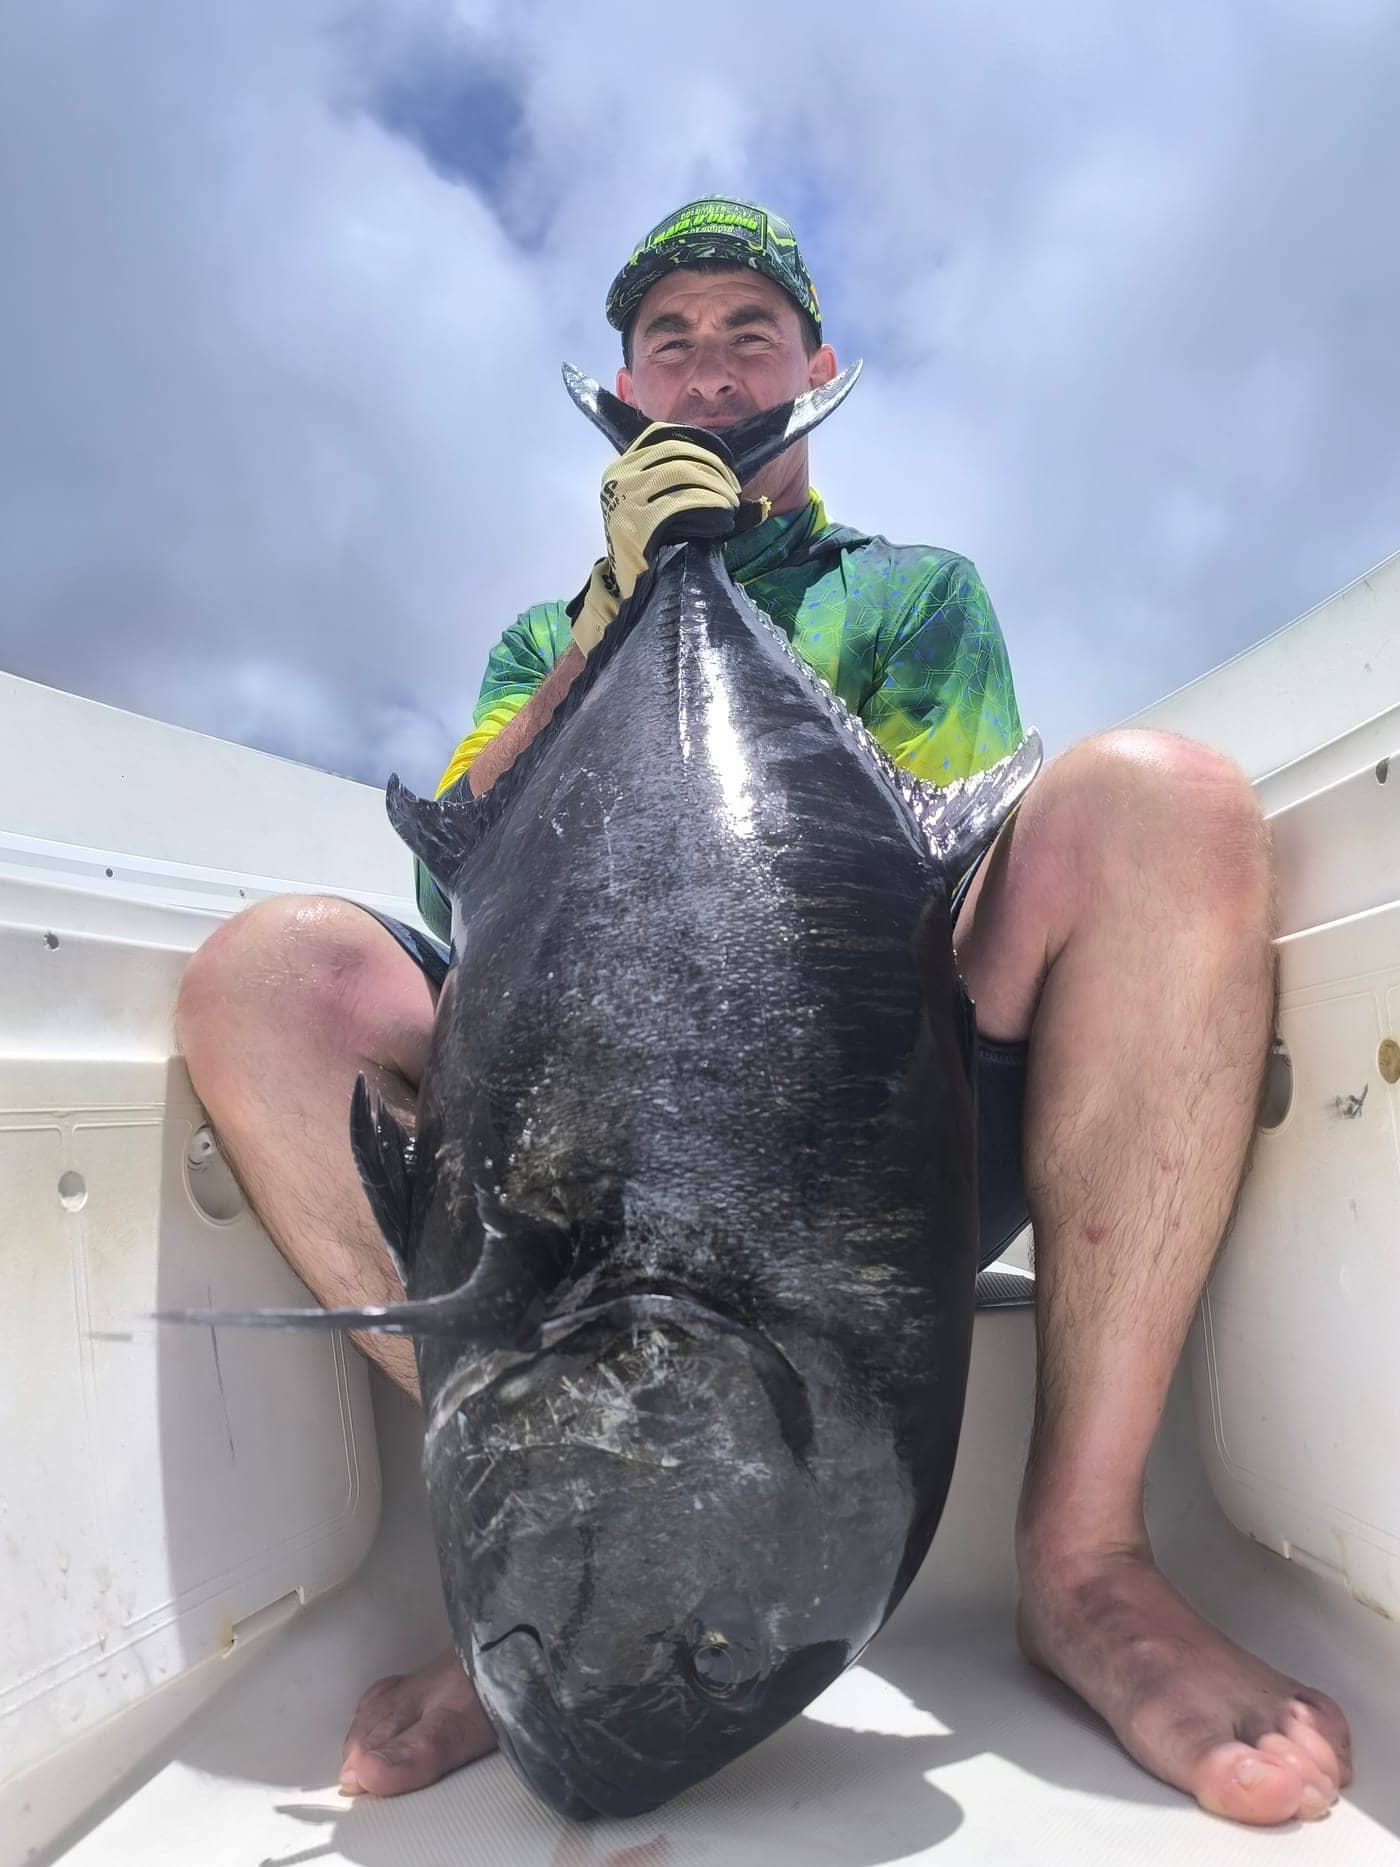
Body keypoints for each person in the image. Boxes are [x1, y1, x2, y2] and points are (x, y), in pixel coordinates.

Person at [176, 196, 1352, 1827]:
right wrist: (619, 600)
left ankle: (1088, 1560)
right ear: (625, 392)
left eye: (751, 334)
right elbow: (465, 896)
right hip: (566, 1147)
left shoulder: (910, 596)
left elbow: (946, 875)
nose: (710, 369)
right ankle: (516, 1497)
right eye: (671, 341)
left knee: (1169, 802)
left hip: (867, 1126)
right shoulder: (547, 636)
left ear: (816, 368)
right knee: (264, 978)